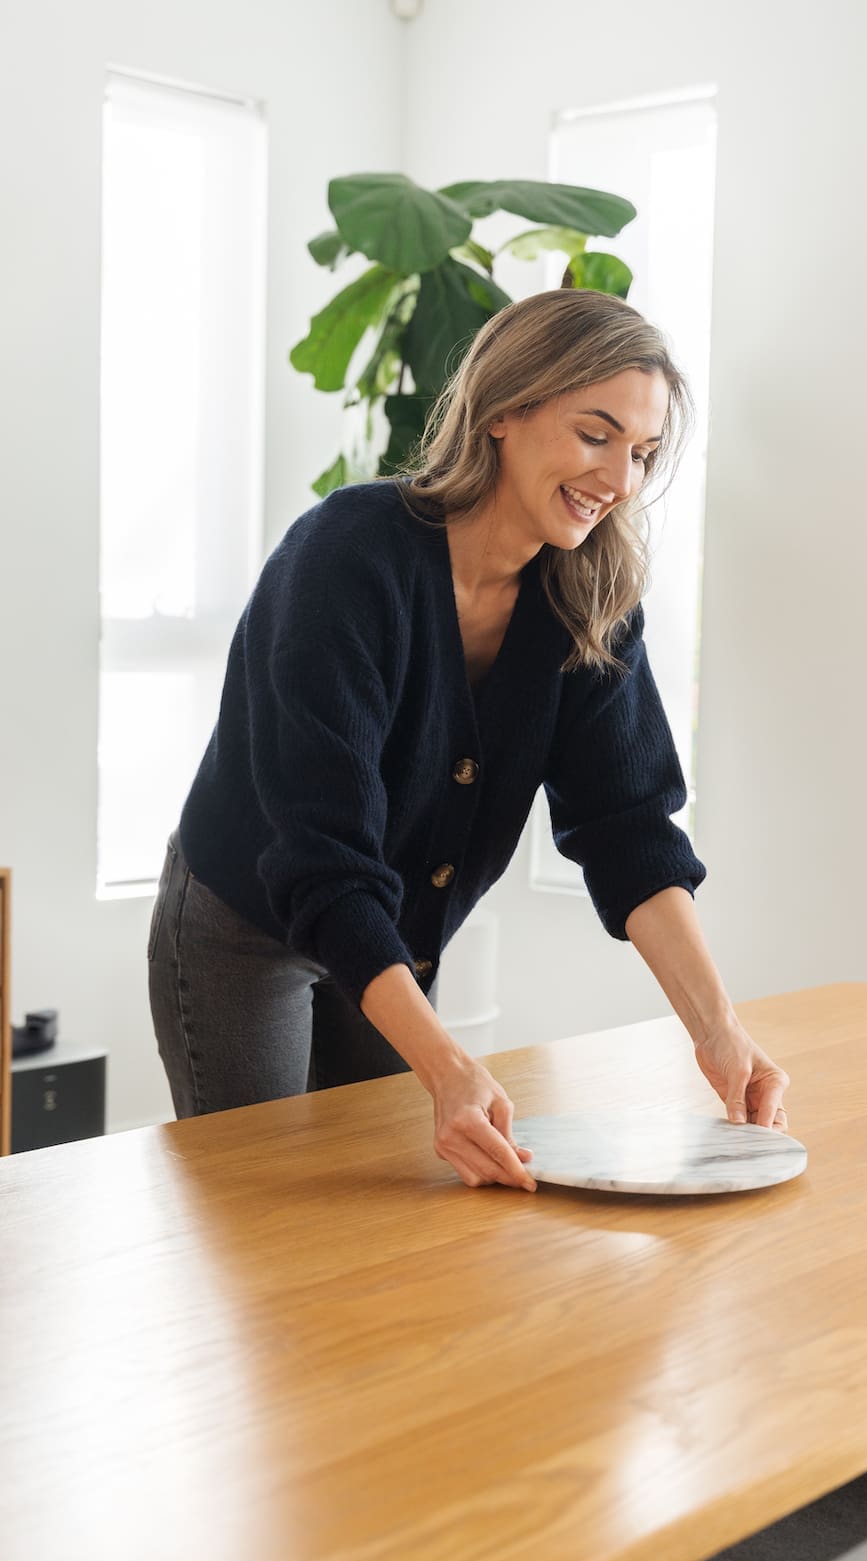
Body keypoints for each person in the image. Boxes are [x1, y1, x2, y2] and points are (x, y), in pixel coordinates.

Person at [148, 287, 790, 1190]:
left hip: (392, 935)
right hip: (249, 927)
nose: (619, 479)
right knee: (267, 1211)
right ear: (503, 412)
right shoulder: (347, 557)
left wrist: (720, 1031)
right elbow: (323, 860)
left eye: (641, 453)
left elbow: (629, 830)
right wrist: (447, 1067)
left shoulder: (592, 601)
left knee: (388, 1212)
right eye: (594, 434)